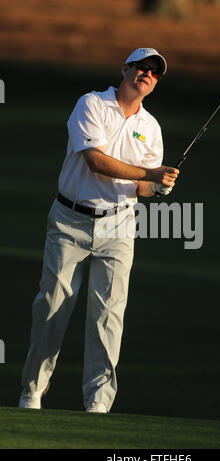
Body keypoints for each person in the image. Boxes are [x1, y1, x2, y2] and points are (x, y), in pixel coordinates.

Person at [19, 48, 179, 413]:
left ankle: (98, 403)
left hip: (119, 225)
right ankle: (32, 393)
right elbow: (96, 161)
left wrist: (159, 186)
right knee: (52, 306)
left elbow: (142, 189)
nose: (147, 74)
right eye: (142, 67)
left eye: (155, 73)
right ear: (125, 69)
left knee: (108, 315)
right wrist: (151, 175)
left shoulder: (150, 128)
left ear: (155, 83)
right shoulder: (91, 103)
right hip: (70, 220)